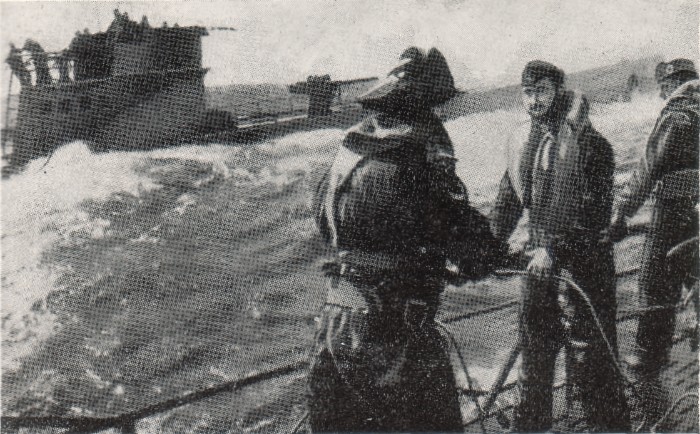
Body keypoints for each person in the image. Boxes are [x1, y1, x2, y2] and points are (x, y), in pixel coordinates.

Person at [307, 46, 500, 433]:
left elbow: (325, 224)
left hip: (334, 326)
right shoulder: (416, 158)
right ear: (419, 107)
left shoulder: (348, 151)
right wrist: (491, 256)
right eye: (434, 107)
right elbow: (462, 236)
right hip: (390, 335)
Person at [490, 60, 630, 432]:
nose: (534, 100)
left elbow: (594, 212)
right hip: (539, 263)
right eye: (528, 92)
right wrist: (486, 248)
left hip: (585, 265)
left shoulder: (592, 145)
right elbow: (507, 202)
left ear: (559, 91)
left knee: (594, 364)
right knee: (534, 358)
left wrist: (555, 250)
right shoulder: (525, 141)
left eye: (542, 91)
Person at [608, 59, 699, 378]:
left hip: (673, 208)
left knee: (654, 279)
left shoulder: (676, 113)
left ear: (672, 84)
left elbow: (649, 167)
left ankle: (649, 357)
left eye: (663, 86)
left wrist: (621, 214)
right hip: (697, 207)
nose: (661, 93)